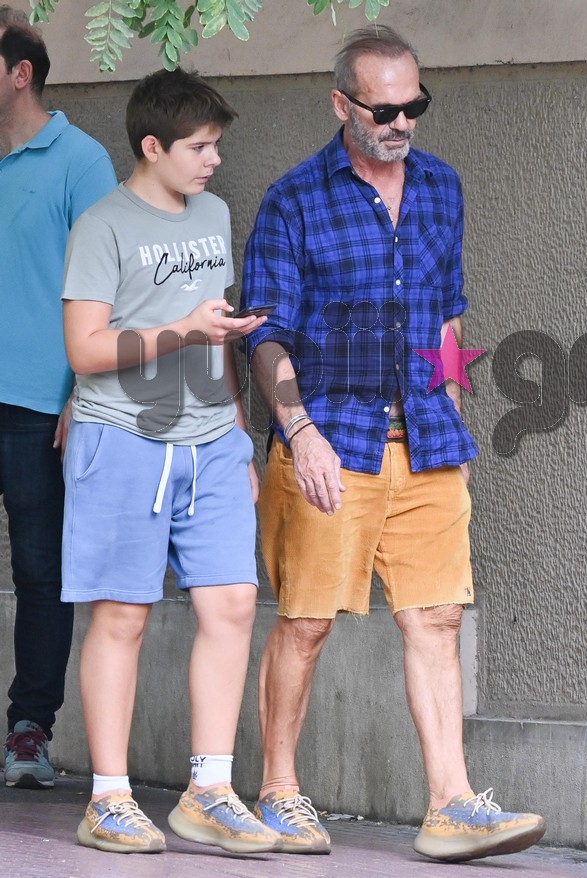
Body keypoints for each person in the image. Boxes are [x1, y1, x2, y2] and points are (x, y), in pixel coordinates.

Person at [240, 25, 545, 861]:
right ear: (342, 104)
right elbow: (265, 334)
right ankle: (278, 793)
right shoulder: (295, 199)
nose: (402, 122)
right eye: (384, 109)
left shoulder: (442, 187)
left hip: (427, 442)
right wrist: (299, 433)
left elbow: (447, 315)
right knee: (306, 623)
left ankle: (451, 804)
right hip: (330, 442)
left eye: (415, 105)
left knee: (437, 617)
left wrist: (451, 415)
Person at [60, 67, 281, 855]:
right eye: (199, 147)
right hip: (122, 437)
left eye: (217, 145)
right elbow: (85, 350)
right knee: (123, 614)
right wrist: (183, 329)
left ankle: (209, 791)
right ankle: (109, 799)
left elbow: (215, 332)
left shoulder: (214, 212)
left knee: (233, 604)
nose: (214, 160)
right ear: (152, 147)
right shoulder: (103, 227)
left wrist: (238, 435)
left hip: (212, 441)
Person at [0, 6, 116, 789]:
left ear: (20, 73)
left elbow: (109, 284)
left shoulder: (81, 160)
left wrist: (85, 391)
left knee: (42, 571)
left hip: (41, 404)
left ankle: (29, 732)